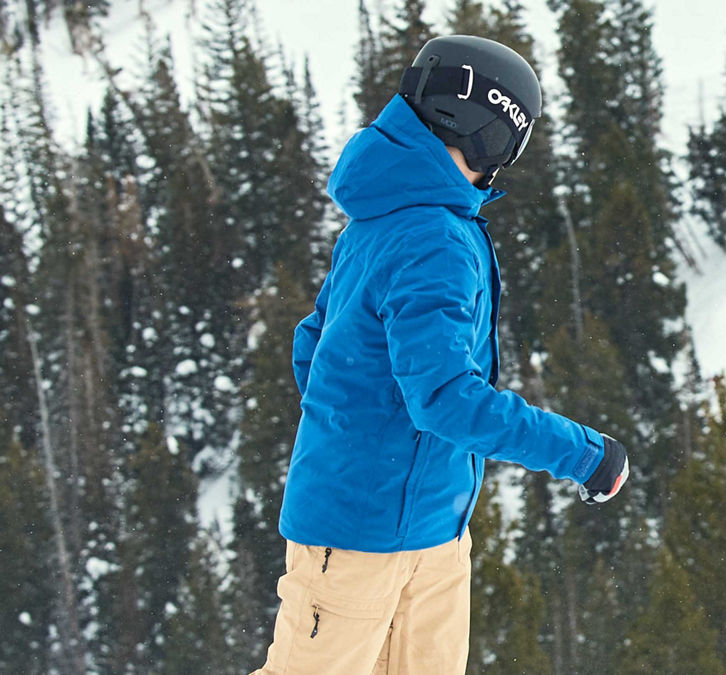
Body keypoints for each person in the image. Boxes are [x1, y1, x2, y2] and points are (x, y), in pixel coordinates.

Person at [254, 35, 630, 675]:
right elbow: (447, 399)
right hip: (363, 535)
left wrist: (362, 439)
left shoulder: (386, 218)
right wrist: (584, 454)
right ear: (488, 128)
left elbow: (314, 347)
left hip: (428, 529)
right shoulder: (435, 237)